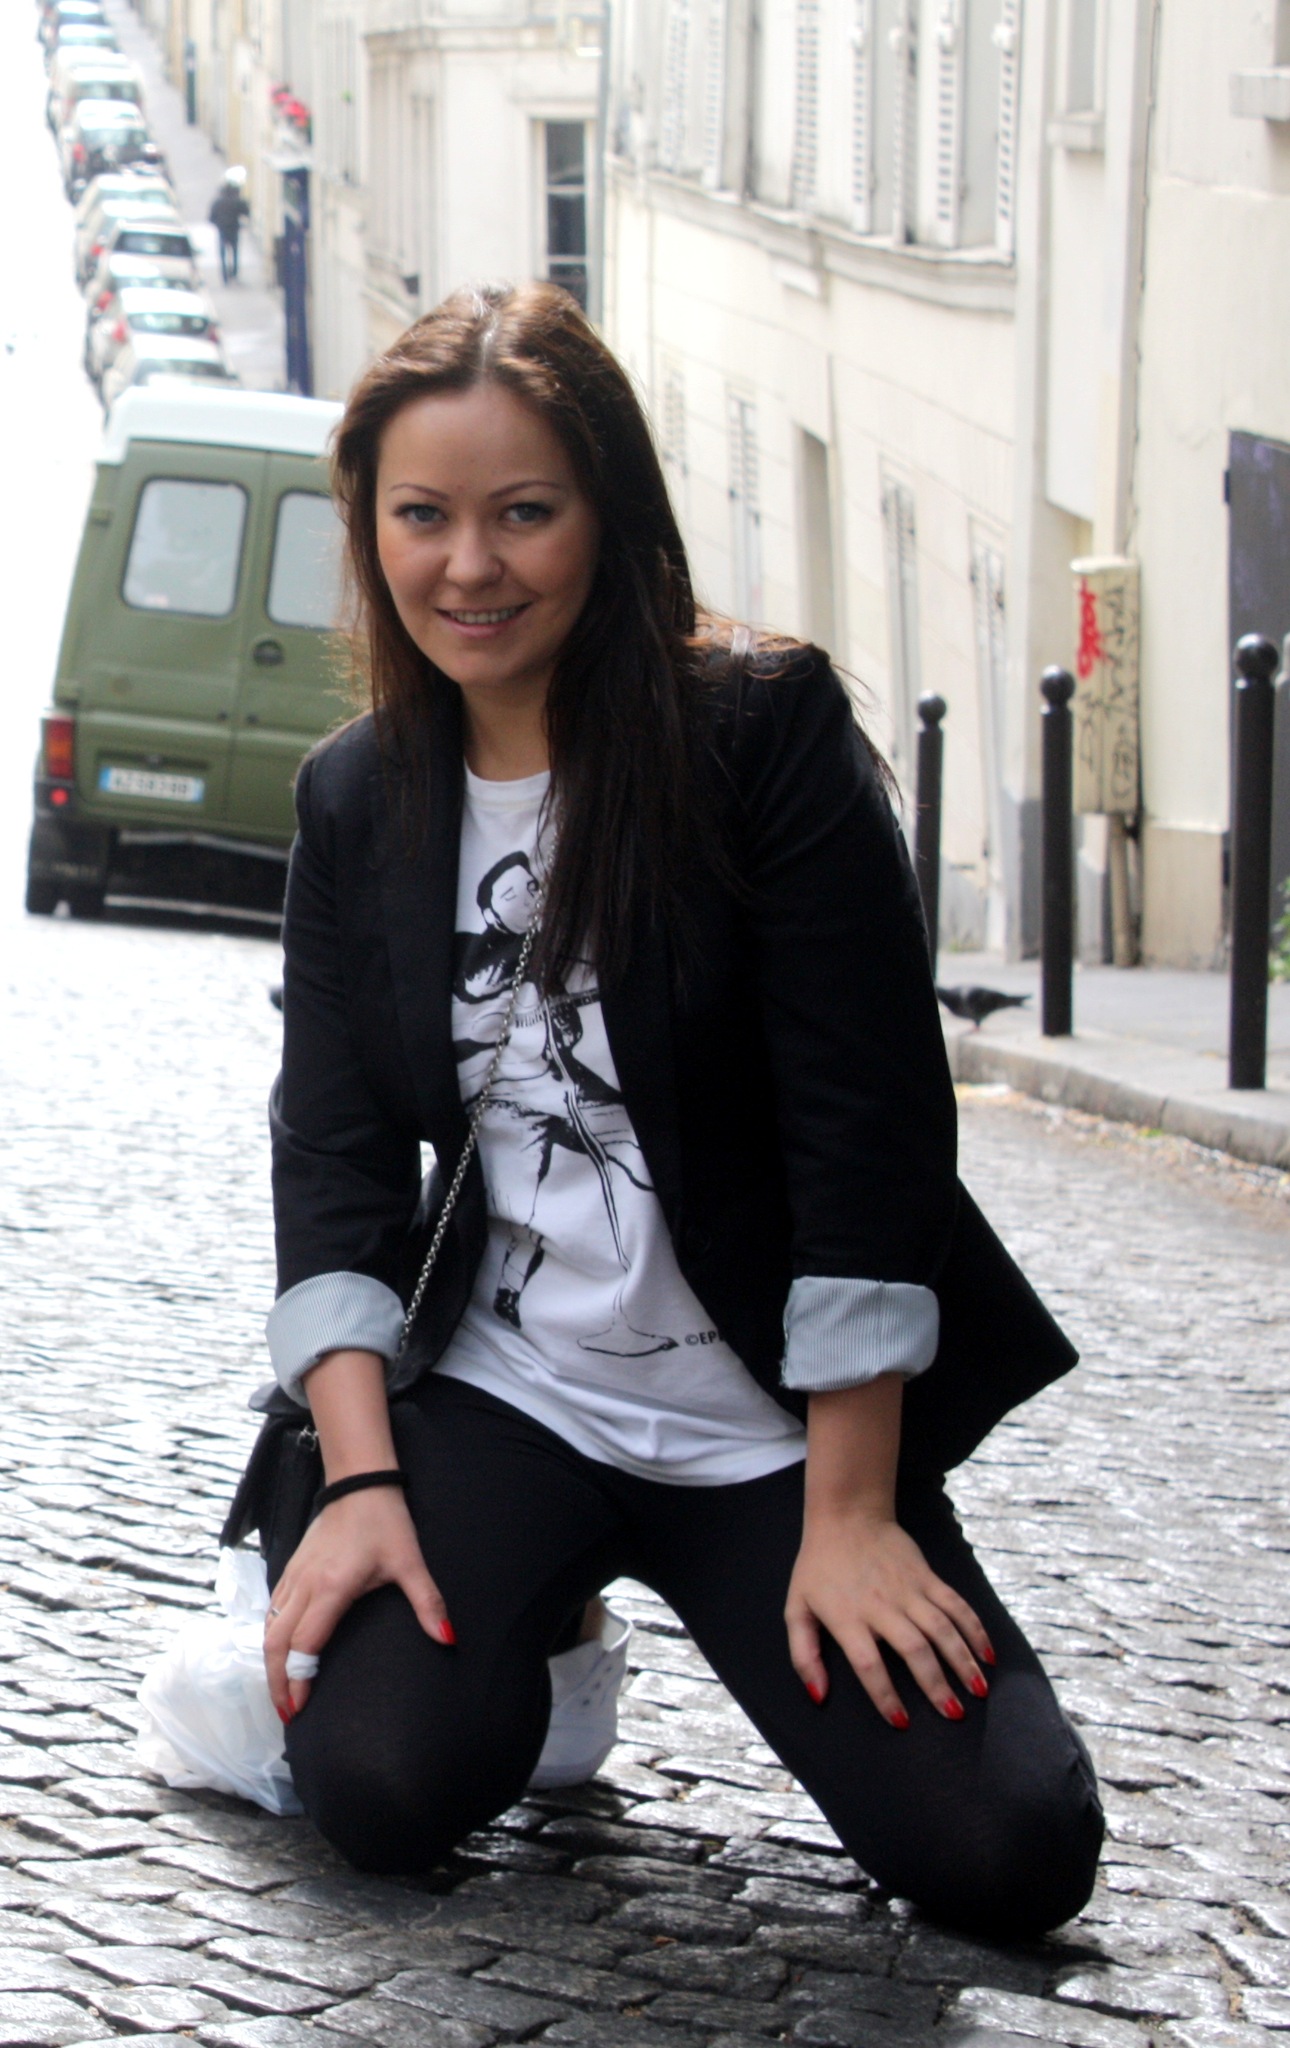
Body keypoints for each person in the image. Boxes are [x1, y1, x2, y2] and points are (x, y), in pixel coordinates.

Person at [257, 281, 1104, 1938]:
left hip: (771, 1433)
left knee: (1008, 1850)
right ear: (370, 531)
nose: (469, 565)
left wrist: (849, 1511)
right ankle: (546, 1619)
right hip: (511, 1392)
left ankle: (688, 1569)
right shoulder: (357, 797)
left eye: (524, 512)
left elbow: (869, 1129)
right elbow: (332, 1155)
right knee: (379, 1785)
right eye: (422, 516)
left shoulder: (757, 734)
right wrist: (361, 1485)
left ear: (609, 513)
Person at [209, 167, 249, 283]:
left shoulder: (218, 202)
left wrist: (218, 223)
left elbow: (211, 218)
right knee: (235, 252)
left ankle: (225, 275)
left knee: (223, 254)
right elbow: (246, 213)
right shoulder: (237, 201)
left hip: (222, 230)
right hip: (234, 229)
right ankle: (234, 273)